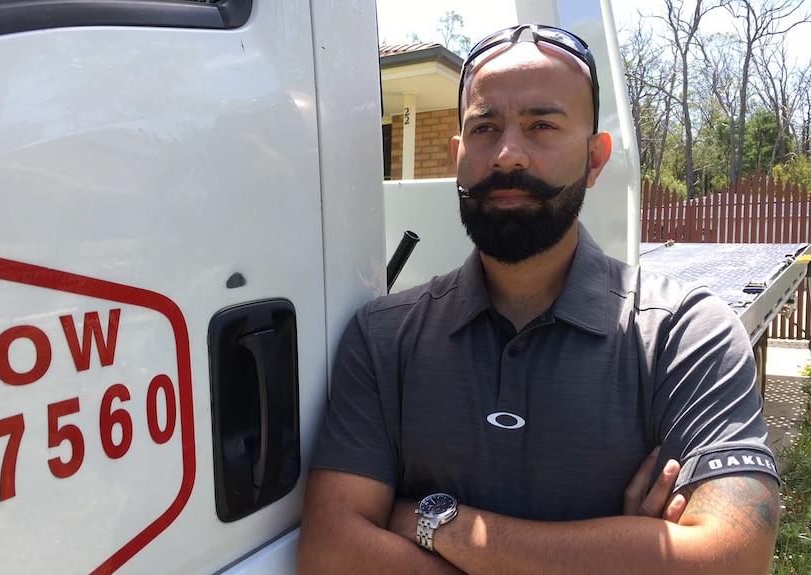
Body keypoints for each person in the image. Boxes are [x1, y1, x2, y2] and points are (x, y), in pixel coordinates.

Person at [298, 23, 780, 574]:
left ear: (595, 159)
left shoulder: (685, 336)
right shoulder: (383, 338)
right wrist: (624, 553)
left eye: (542, 125)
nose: (508, 155)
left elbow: (735, 559)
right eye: (484, 128)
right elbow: (331, 552)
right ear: (457, 155)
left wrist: (435, 523)